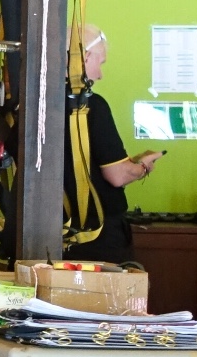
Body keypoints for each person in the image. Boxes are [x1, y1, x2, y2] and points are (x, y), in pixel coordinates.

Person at [64, 22, 161, 262]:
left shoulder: (31, 105)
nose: (100, 74)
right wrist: (141, 167)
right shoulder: (92, 107)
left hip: (44, 235)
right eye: (100, 63)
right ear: (85, 57)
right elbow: (117, 175)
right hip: (95, 238)